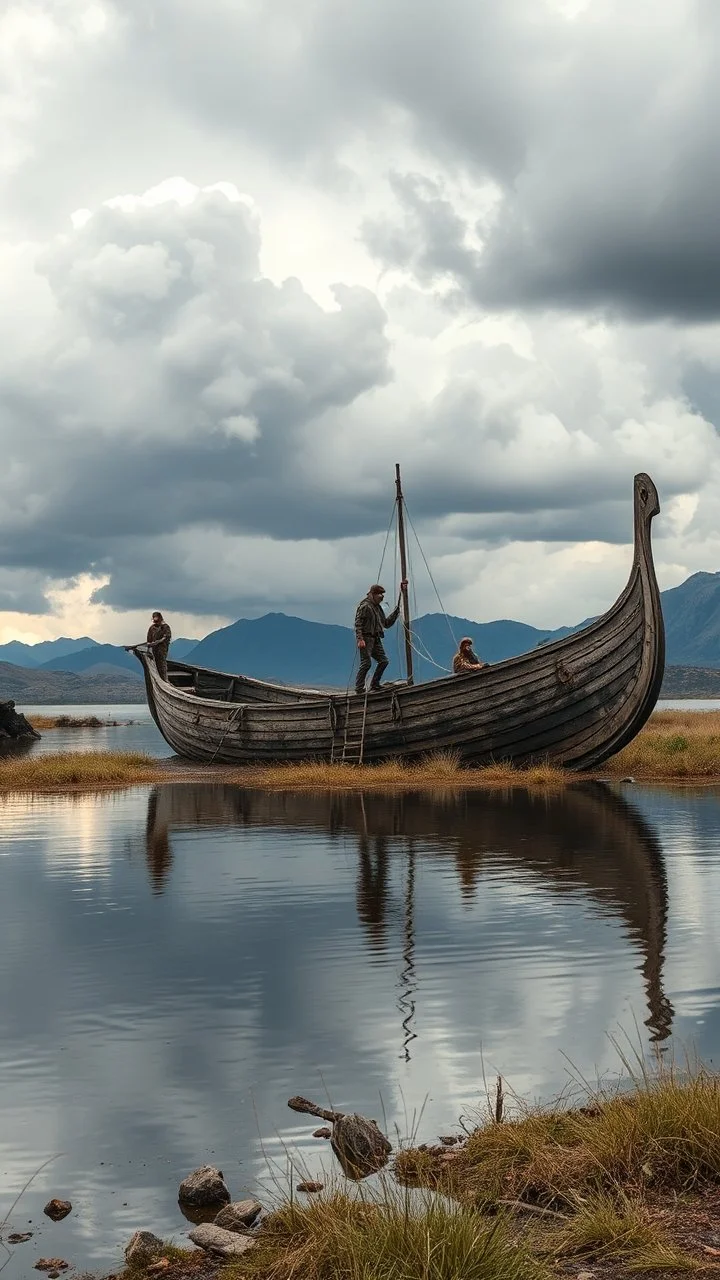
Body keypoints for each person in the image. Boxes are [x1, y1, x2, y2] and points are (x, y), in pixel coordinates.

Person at [354, 581, 408, 695]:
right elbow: (358, 623)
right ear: (373, 594)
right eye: (380, 594)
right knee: (366, 663)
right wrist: (360, 639)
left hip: (376, 638)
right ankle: (359, 688)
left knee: (383, 661)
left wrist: (396, 611)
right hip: (366, 638)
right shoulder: (365, 606)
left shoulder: (377, 608)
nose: (382, 597)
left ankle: (375, 684)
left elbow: (386, 623)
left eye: (382, 595)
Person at [125, 611, 172, 680]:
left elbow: (165, 638)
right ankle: (158, 678)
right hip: (154, 650)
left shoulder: (165, 627)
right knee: (155, 664)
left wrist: (157, 642)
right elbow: (149, 641)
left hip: (162, 650)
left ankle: (164, 680)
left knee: (161, 664)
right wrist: (148, 646)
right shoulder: (152, 628)